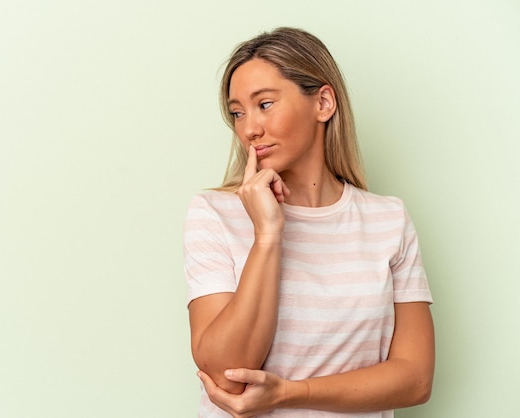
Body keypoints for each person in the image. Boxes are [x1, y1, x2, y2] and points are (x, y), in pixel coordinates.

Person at [183, 27, 434, 418]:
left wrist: (288, 393)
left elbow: (415, 379)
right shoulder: (215, 213)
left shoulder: (388, 220)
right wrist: (267, 236)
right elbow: (227, 375)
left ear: (324, 103)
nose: (249, 128)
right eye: (237, 112)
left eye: (264, 104)